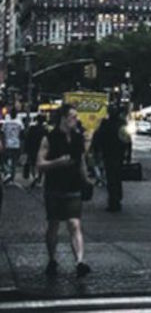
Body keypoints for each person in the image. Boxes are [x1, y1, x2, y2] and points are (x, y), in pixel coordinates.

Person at [36, 102, 92, 277]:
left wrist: (86, 180)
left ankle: (80, 261)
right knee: (53, 224)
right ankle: (52, 259)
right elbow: (39, 164)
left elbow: (81, 161)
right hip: (54, 187)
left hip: (73, 187)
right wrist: (57, 162)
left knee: (74, 223)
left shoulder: (77, 138)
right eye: (73, 117)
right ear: (63, 119)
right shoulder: (50, 138)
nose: (76, 120)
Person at [92, 102, 127, 212]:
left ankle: (114, 200)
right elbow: (126, 140)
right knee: (117, 177)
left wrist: (97, 151)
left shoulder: (105, 124)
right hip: (118, 154)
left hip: (109, 154)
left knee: (111, 178)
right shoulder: (121, 124)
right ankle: (116, 198)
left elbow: (98, 138)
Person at [24, 115, 47, 188]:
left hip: (32, 149)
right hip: (41, 149)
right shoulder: (45, 130)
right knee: (41, 164)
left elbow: (28, 139)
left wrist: (26, 149)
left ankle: (34, 176)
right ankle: (39, 178)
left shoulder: (32, 129)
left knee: (32, 164)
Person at [3, 108, 24, 184]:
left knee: (5, 160)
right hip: (16, 144)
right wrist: (21, 147)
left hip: (7, 144)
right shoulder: (20, 123)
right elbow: (22, 136)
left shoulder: (6, 123)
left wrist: (3, 143)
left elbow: (3, 134)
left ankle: (7, 173)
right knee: (14, 162)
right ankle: (12, 177)